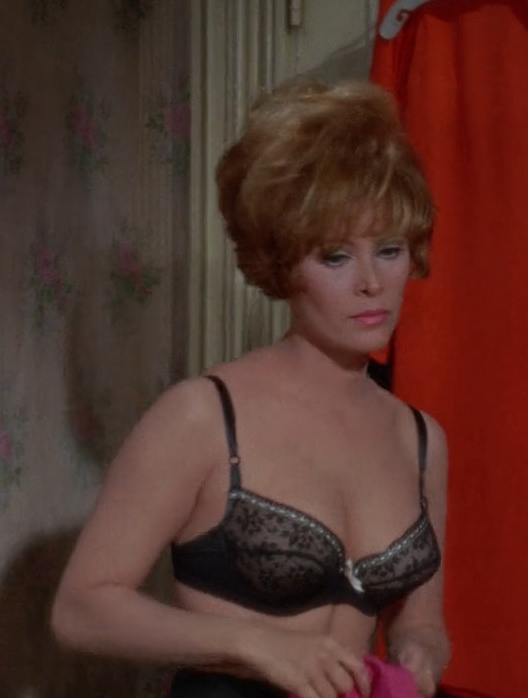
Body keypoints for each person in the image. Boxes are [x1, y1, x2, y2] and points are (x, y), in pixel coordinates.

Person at [50, 79, 450, 698]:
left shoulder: (421, 440)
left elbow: (420, 620)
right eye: (335, 256)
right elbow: (80, 610)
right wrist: (253, 643)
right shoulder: (202, 417)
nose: (372, 282)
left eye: (390, 250)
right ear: (281, 260)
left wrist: (419, 650)